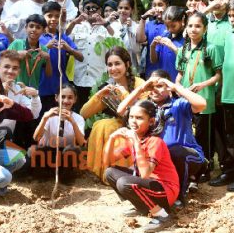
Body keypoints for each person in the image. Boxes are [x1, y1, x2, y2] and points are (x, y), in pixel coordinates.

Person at [117, 70, 207, 207]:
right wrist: (141, 88)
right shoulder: (147, 109)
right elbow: (121, 110)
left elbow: (201, 104)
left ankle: (179, 196)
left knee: (175, 151)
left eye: (159, 86)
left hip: (189, 156)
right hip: (162, 160)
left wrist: (175, 87)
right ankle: (143, 200)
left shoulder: (178, 105)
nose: (154, 90)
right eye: (152, 86)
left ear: (168, 88)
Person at [105, 100, 179, 232]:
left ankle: (162, 215)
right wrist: (112, 138)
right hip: (150, 186)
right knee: (110, 172)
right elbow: (108, 161)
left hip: (166, 190)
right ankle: (141, 206)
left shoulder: (155, 142)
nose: (133, 121)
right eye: (131, 117)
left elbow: (145, 174)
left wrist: (135, 142)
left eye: (139, 118)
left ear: (151, 122)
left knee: (124, 183)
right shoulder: (135, 139)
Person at [80, 46, 145, 183]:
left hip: (141, 129)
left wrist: (125, 95)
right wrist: (98, 95)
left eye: (117, 63)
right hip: (121, 126)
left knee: (111, 128)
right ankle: (100, 172)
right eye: (110, 65)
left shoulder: (140, 84)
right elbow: (83, 114)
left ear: (127, 64)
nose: (113, 68)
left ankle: (120, 173)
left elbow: (144, 113)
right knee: (101, 125)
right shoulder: (110, 88)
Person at [176, 12, 223, 182]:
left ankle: (206, 168)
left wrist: (202, 85)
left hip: (205, 101)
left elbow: (218, 75)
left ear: (205, 28)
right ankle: (192, 166)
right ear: (185, 27)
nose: (193, 29)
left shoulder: (211, 48)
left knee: (204, 136)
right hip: (187, 100)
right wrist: (177, 86)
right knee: (189, 134)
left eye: (198, 26)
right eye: (190, 25)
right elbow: (180, 75)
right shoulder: (182, 50)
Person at [209, 0, 234, 191]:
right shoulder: (229, 33)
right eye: (229, 16)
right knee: (230, 136)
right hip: (229, 94)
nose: (231, 20)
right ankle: (229, 171)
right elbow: (200, 21)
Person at [66, 0, 114, 110]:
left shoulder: (107, 28)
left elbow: (117, 44)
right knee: (80, 114)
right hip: (79, 80)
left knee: (99, 116)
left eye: (95, 8)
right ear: (83, 10)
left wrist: (106, 24)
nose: (91, 10)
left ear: (100, 10)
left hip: (100, 81)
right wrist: (74, 22)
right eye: (88, 8)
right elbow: (64, 38)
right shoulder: (77, 27)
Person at [203, 0, 231, 181]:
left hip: (230, 81)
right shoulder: (205, 23)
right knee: (209, 125)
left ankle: (227, 165)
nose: (215, 3)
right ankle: (206, 164)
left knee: (226, 125)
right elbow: (190, 30)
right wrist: (206, 11)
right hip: (208, 81)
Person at [39, 1, 83, 114]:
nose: (53, 19)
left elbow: (81, 57)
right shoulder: (38, 37)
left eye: (57, 16)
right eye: (49, 16)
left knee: (61, 118)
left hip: (61, 87)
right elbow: (32, 56)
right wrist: (45, 47)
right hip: (42, 87)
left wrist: (69, 49)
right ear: (43, 16)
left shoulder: (63, 37)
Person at [32, 84, 85, 175]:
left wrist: (72, 122)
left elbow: (81, 142)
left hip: (67, 155)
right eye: (63, 97)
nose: (66, 101)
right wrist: (45, 118)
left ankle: (66, 177)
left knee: (74, 150)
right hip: (50, 153)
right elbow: (36, 138)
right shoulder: (49, 115)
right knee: (35, 151)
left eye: (70, 97)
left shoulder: (78, 118)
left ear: (75, 99)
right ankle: (45, 176)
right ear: (56, 98)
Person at [0, 50, 42, 135]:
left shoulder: (17, 89)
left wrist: (35, 96)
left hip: (5, 139)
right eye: (6, 66)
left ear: (19, 71)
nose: (10, 71)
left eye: (15, 68)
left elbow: (34, 113)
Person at [8, 14, 52, 90]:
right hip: (14, 89)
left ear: (43, 31)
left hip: (32, 91)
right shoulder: (17, 43)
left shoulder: (44, 49)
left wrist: (48, 59)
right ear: (26, 28)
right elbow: (3, 60)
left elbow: (48, 74)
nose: (34, 29)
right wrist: (17, 54)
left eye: (38, 27)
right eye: (31, 26)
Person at [137, 0, 169, 79]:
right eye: (154, 5)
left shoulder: (171, 24)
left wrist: (165, 18)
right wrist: (143, 18)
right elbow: (140, 39)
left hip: (168, 69)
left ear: (167, 6)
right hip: (152, 69)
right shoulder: (149, 24)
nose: (157, 8)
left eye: (160, 5)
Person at [150, 6, 185, 82]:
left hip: (181, 83)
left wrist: (172, 46)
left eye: (173, 26)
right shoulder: (165, 35)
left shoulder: (187, 38)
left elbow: (188, 62)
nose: (169, 29)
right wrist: (152, 47)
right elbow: (153, 60)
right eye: (167, 26)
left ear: (182, 20)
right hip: (165, 83)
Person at [111, 0, 141, 72]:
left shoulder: (136, 26)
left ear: (132, 10)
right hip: (114, 66)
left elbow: (136, 49)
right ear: (117, 9)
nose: (123, 11)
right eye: (120, 8)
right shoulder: (112, 26)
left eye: (126, 8)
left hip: (130, 65)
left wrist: (130, 28)